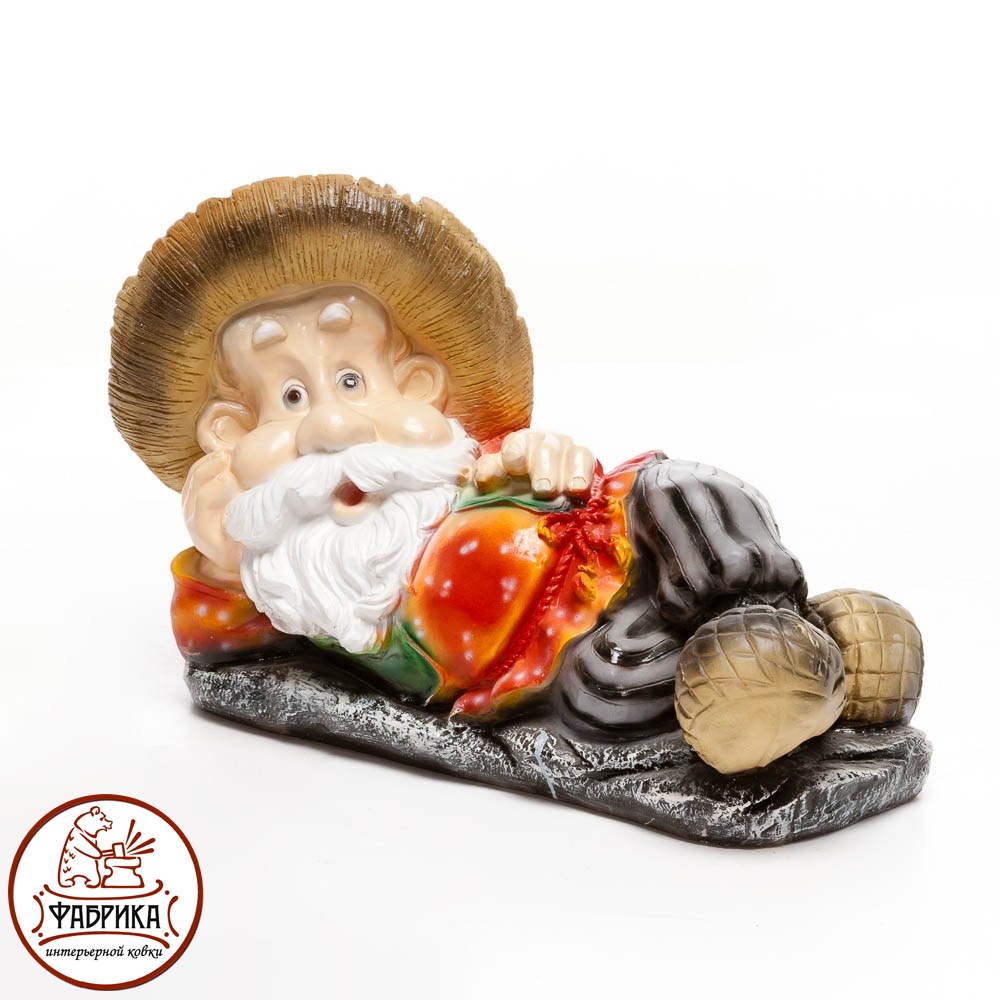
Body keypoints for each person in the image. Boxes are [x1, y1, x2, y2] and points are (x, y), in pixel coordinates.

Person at [109, 175, 923, 774]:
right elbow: (221, 644)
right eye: (289, 400)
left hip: (614, 538)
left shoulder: (456, 472)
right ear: (229, 441)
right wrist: (222, 552)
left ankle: (771, 620)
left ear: (422, 393)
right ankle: (785, 674)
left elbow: (548, 475)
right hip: (564, 663)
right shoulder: (292, 579)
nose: (331, 425)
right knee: (607, 698)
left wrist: (544, 457)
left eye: (354, 381)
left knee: (685, 493)